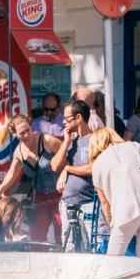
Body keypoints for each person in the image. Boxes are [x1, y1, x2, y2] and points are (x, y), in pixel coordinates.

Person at [90, 127, 140, 258]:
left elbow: (104, 202)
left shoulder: (97, 164)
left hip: (126, 212)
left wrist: (112, 224)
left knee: (114, 257)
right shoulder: (134, 146)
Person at [0, 114, 64, 243]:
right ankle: (37, 255)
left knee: (61, 230)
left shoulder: (46, 140)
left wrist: (65, 173)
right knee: (37, 233)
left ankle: (63, 254)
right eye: (22, 133)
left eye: (28, 130)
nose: (26, 135)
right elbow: (12, 174)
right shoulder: (19, 151)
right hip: (39, 196)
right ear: (14, 134)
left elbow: (66, 156)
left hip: (59, 194)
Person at [52, 100, 96, 252]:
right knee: (69, 247)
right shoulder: (71, 141)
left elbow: (93, 168)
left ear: (78, 118)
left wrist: (68, 168)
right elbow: (55, 166)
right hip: (68, 203)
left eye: (66, 118)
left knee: (93, 246)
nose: (63, 121)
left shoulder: (95, 139)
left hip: (89, 203)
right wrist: (65, 142)